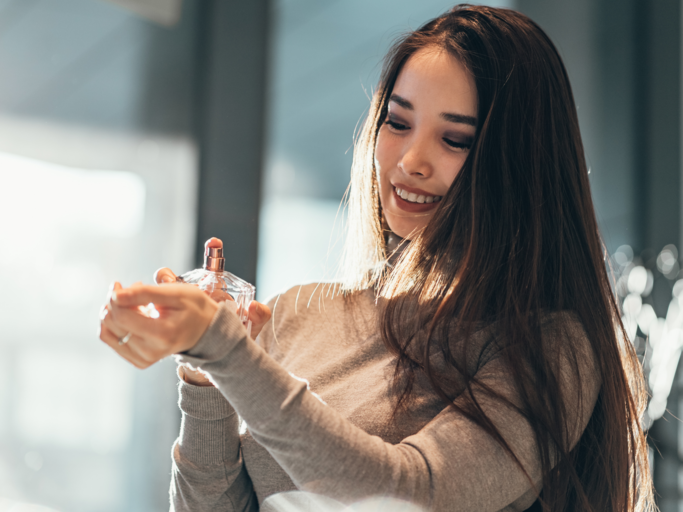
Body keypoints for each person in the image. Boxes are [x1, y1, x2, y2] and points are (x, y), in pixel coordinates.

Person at [99, 4, 655, 511]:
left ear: (519, 164)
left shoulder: (551, 349)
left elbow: (410, 495)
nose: (411, 161)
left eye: (455, 140)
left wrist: (228, 354)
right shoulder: (301, 313)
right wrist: (207, 378)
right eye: (398, 122)